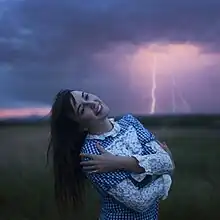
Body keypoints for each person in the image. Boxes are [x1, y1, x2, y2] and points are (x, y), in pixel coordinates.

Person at [47, 89, 175, 220]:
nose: (91, 103)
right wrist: (166, 177)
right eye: (82, 109)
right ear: (79, 126)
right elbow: (139, 201)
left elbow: (165, 161)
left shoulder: (129, 122)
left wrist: (117, 162)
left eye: (86, 96)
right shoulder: (92, 153)